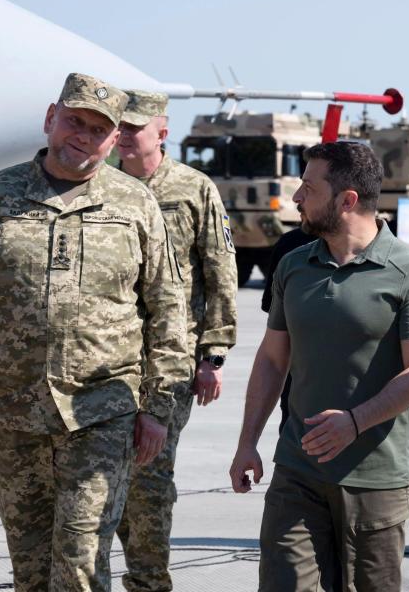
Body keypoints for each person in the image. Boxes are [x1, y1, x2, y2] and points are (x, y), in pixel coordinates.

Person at [0, 73, 191, 591]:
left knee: (79, 565)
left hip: (102, 412)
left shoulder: (135, 204)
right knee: (30, 569)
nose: (84, 136)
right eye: (75, 121)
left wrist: (158, 410)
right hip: (14, 414)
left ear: (115, 139)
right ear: (51, 119)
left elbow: (168, 309)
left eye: (99, 129)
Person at [229, 142, 409, 592]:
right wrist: (247, 441)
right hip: (297, 471)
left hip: (375, 483)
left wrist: (355, 421)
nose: (297, 198)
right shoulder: (293, 265)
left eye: (309, 188)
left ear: (347, 200)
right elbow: (272, 359)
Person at [115, 89, 239, 591]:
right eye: (118, 127)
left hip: (171, 359)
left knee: (148, 475)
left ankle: (148, 581)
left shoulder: (193, 188)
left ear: (161, 131)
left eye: (133, 128)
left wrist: (213, 354)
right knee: (103, 476)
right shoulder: (102, 186)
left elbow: (220, 269)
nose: (122, 136)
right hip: (106, 356)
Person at [261, 226, 316, 432]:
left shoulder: (291, 243)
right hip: (297, 389)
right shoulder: (290, 246)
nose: (298, 198)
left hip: (359, 406)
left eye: (310, 191)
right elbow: (274, 314)